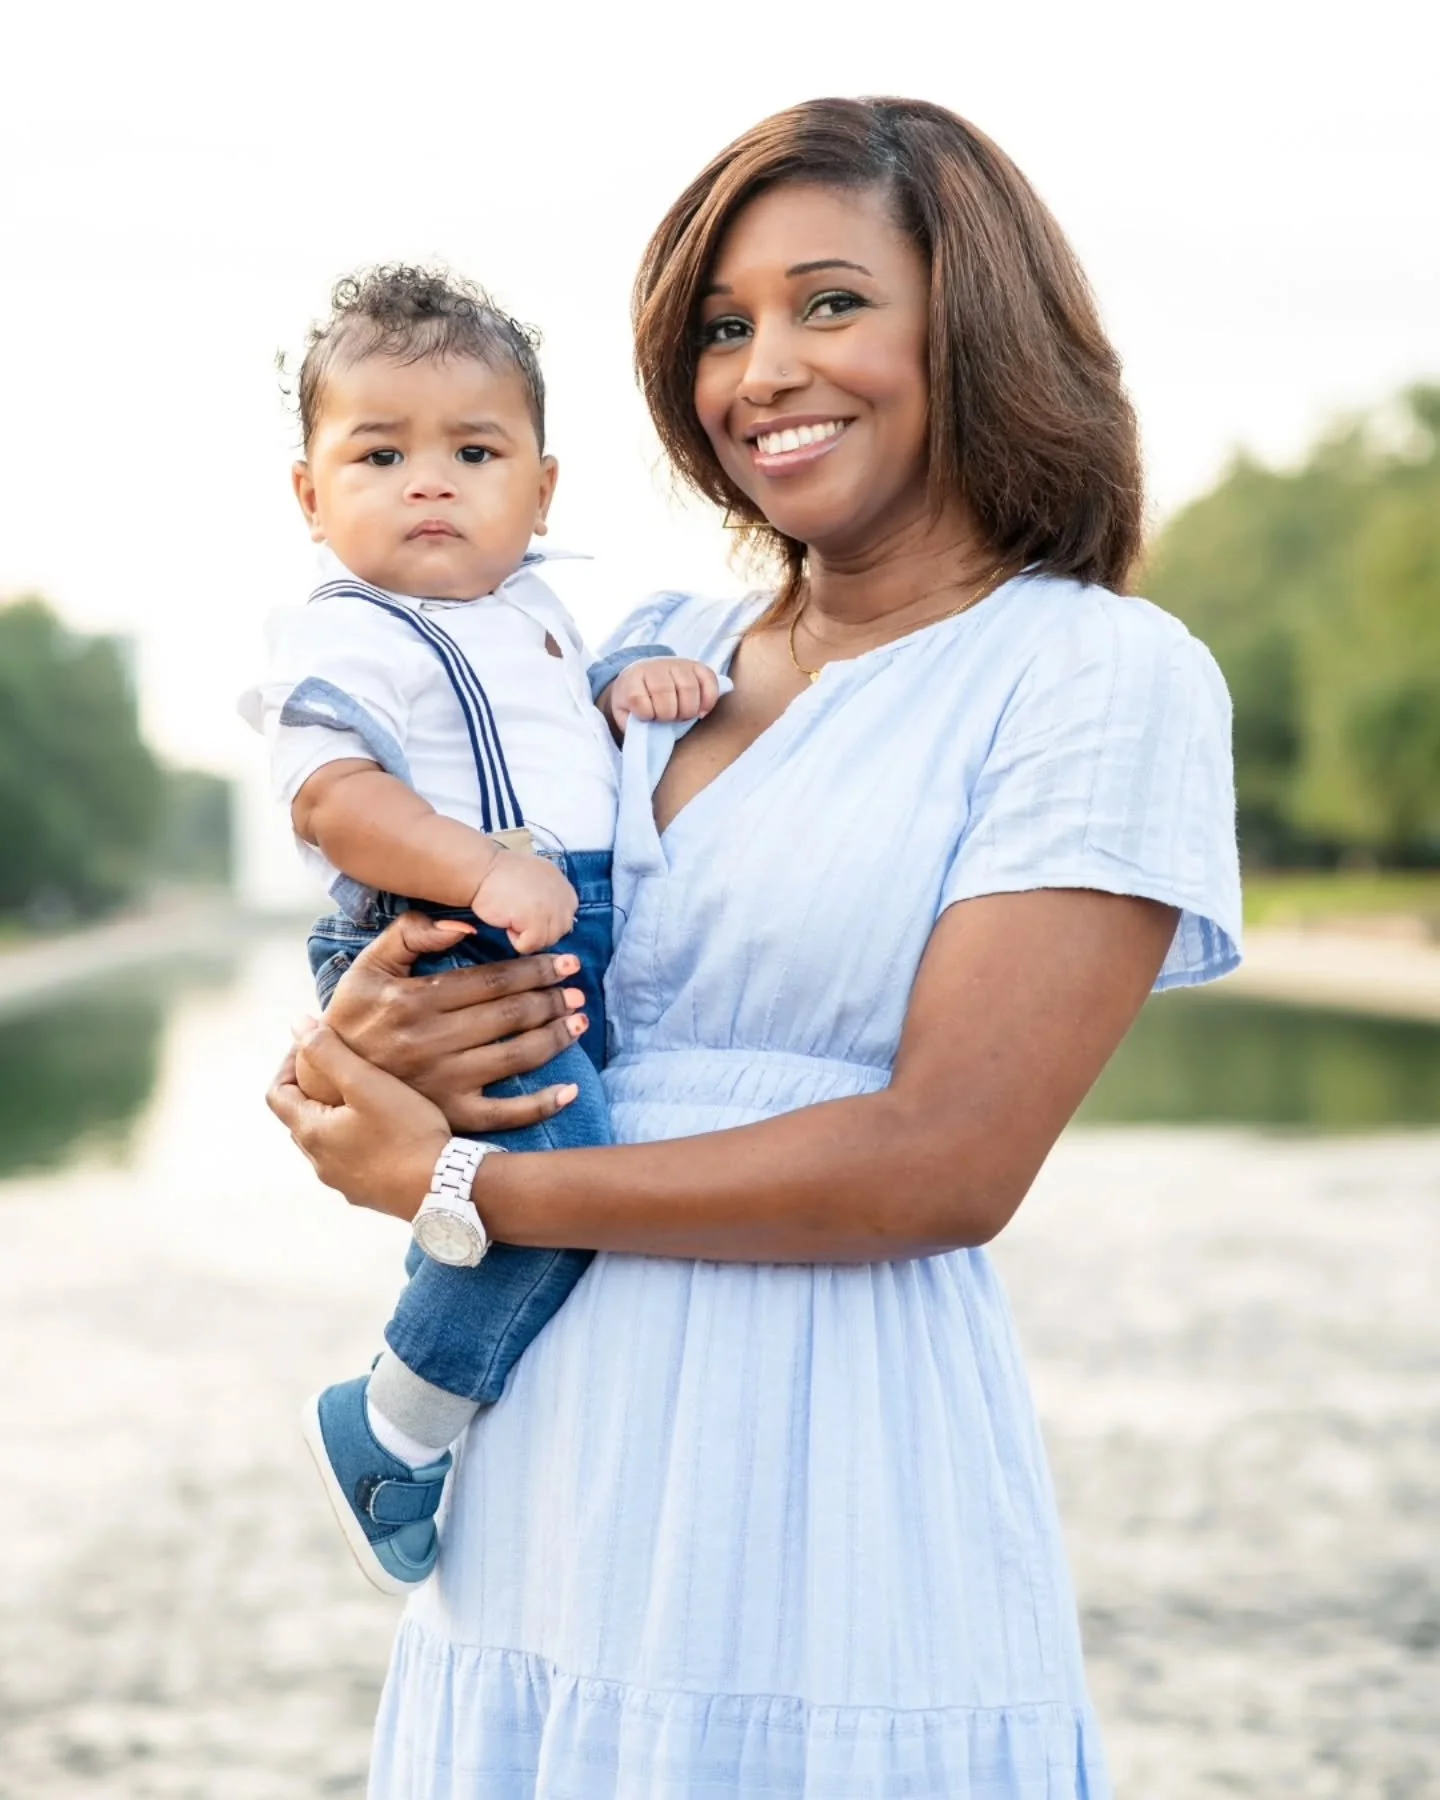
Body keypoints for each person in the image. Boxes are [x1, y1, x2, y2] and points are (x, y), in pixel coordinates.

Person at [269, 97, 1242, 1799]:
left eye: (829, 302)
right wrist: (365, 1045)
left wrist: (475, 1198)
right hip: (546, 1491)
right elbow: (442, 965)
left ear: (973, 319)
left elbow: (942, 1161)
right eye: (722, 327)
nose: (762, 368)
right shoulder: (636, 649)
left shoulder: (1097, 675)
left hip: (831, 1473)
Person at [240, 264, 717, 1595]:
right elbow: (335, 798)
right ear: (311, 494)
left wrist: (633, 680)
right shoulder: (343, 631)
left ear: (543, 489)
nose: (429, 482)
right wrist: (472, 871)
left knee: (569, 1174)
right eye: (380, 453)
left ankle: (469, 1368)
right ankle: (395, 1423)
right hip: (456, 932)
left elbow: (560, 725)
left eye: (473, 450)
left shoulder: (540, 617)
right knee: (553, 1186)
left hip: (556, 928)